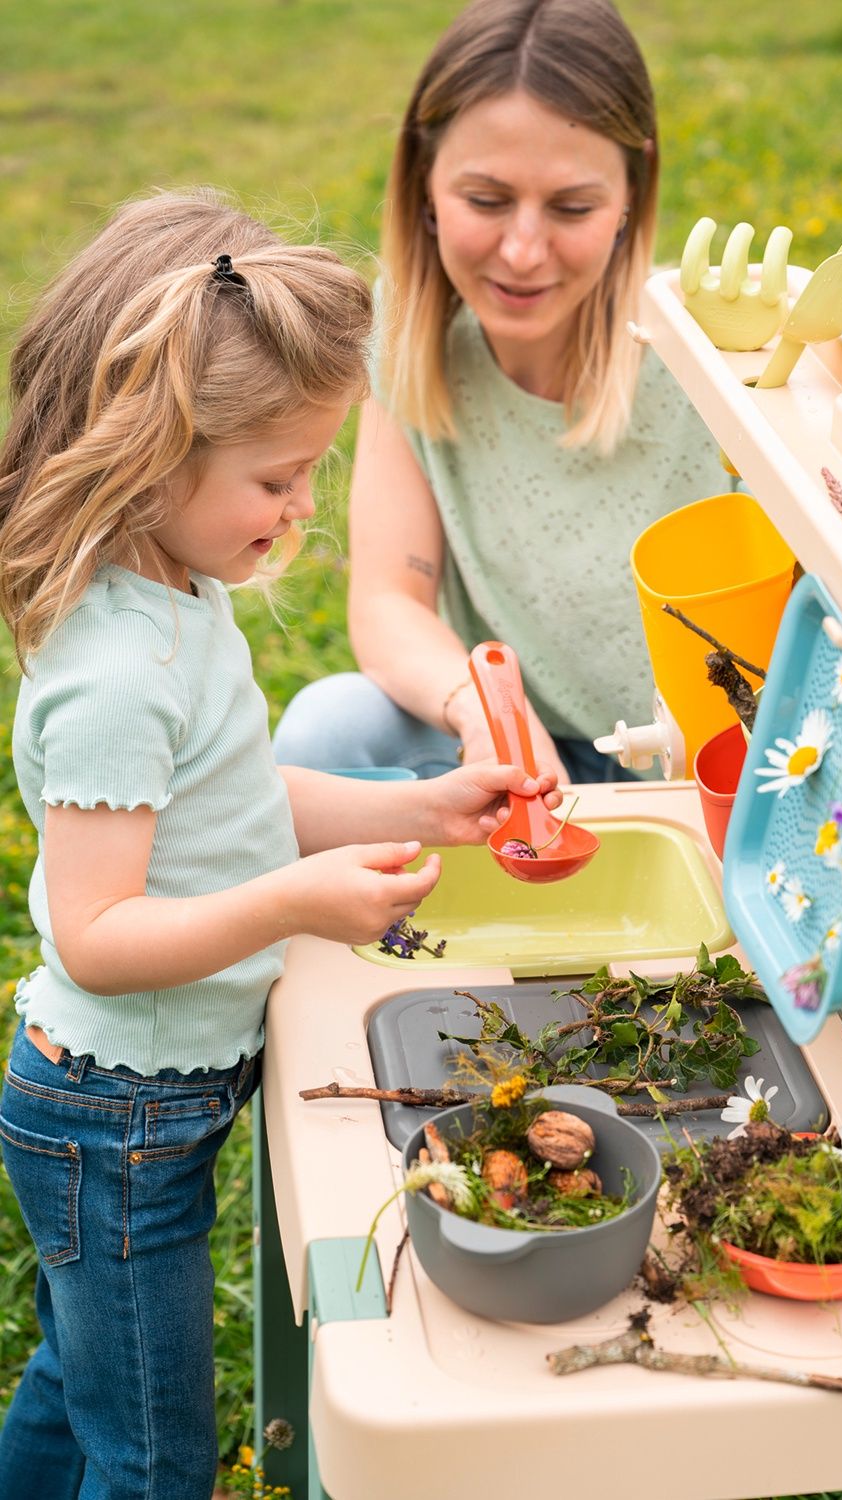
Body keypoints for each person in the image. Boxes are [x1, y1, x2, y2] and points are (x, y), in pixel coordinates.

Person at [0, 190, 554, 1500]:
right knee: (155, 1456)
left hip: (150, 1105)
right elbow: (99, 934)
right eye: (275, 478)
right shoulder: (115, 672)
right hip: (115, 1114)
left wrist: (415, 805)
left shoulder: (179, 589)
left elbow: (239, 796)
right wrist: (295, 900)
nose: (303, 507)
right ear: (153, 454)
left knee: (83, 1385)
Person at [271, 0, 727, 785]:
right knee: (329, 731)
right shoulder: (412, 344)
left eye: (572, 207)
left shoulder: (711, 355)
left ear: (632, 194)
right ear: (425, 182)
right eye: (485, 201)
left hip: (704, 762)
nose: (523, 250)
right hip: (510, 756)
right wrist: (490, 716)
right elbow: (389, 601)